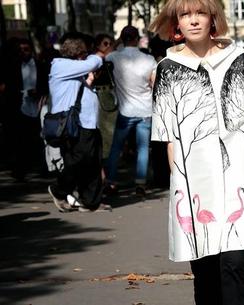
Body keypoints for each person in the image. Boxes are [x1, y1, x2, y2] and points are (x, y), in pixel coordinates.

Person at [149, 0, 244, 304]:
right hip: (195, 182)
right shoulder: (167, 69)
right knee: (205, 270)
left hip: (239, 178)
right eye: (185, 15)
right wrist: (179, 184)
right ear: (175, 23)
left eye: (200, 13)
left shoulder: (239, 60)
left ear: (213, 18)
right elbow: (168, 135)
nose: (193, 21)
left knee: (234, 263)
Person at [47, 32, 112, 212]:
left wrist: (88, 81)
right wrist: (98, 54)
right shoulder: (61, 66)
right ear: (78, 54)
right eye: (84, 54)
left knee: (92, 162)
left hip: (88, 123)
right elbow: (95, 62)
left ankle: (90, 202)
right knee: (79, 160)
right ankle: (59, 190)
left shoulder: (75, 69)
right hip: (74, 124)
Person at [105, 25, 157, 196]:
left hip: (126, 111)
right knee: (143, 148)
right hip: (145, 111)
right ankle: (140, 183)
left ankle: (111, 182)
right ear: (137, 38)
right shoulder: (149, 59)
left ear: (123, 38)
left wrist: (118, 41)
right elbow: (154, 83)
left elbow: (104, 55)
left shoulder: (114, 57)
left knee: (116, 147)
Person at [0, 38, 49, 181]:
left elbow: (46, 85)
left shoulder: (40, 66)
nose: (23, 52)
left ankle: (42, 168)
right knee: (19, 139)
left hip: (36, 105)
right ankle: (19, 170)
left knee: (38, 137)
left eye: (26, 49)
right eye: (20, 50)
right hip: (18, 105)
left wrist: (38, 91)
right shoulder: (11, 66)